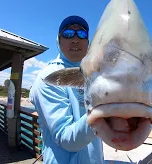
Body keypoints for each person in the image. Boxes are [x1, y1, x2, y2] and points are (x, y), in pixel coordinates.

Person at [29, 16, 104, 164]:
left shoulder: (94, 77)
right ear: (59, 40)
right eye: (68, 33)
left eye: (82, 34)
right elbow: (66, 138)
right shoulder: (49, 77)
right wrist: (106, 109)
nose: (75, 39)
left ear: (88, 43)